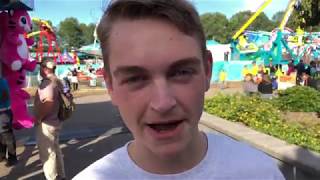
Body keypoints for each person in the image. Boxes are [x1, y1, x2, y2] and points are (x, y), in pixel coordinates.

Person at [73, 0, 284, 179]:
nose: (163, 103)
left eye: (181, 72)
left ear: (207, 71)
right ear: (110, 85)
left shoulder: (260, 172)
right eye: (135, 78)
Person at [34, 60, 65, 180]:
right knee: (56, 150)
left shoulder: (47, 83)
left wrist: (39, 118)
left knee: (47, 154)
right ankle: (61, 176)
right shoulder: (57, 81)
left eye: (41, 67)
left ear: (45, 69)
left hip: (47, 123)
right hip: (56, 120)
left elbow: (48, 101)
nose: (39, 69)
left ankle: (52, 177)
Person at [0, 73, 17, 167]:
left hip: (3, 113)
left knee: (7, 136)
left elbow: (4, 96)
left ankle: (12, 157)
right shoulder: (3, 80)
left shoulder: (2, 82)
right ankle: (2, 156)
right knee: (2, 136)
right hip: (4, 112)